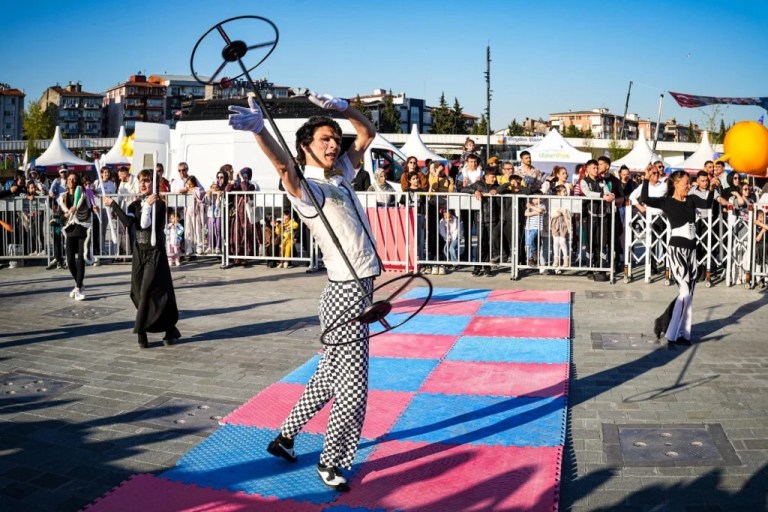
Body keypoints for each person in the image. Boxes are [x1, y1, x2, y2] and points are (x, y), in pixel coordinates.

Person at [228, 91, 381, 492]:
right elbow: (283, 166)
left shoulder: (341, 174)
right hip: (345, 294)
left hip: (358, 288)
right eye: (325, 140)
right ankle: (332, 461)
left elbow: (368, 133)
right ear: (305, 147)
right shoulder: (309, 190)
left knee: (329, 378)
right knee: (353, 390)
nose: (334, 145)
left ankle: (285, 437)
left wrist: (343, 108)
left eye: (336, 139)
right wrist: (260, 130)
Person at [104, 169, 181, 348]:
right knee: (137, 292)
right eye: (141, 181)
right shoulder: (135, 205)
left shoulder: (159, 205)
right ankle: (169, 328)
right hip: (139, 251)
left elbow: (145, 224)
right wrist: (113, 204)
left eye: (147, 181)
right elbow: (128, 222)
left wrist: (147, 206)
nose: (143, 184)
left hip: (155, 253)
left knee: (148, 291)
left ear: (154, 184)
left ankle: (141, 332)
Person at [641, 169, 713, 346]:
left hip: (692, 252)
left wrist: (711, 188)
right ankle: (672, 334)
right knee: (685, 292)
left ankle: (680, 332)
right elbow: (646, 199)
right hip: (677, 251)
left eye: (689, 183)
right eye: (686, 183)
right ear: (676, 183)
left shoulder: (692, 199)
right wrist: (645, 179)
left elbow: (707, 204)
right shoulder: (667, 201)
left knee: (689, 295)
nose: (689, 186)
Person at [59, 173, 93, 300]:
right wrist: (66, 215)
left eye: (74, 179)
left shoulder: (83, 195)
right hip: (70, 231)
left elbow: (89, 208)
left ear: (77, 181)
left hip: (82, 230)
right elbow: (60, 215)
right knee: (70, 261)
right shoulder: (63, 197)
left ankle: (78, 288)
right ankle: (80, 283)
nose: (71, 181)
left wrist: (93, 207)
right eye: (69, 179)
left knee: (81, 260)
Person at [550, 185, 572, 274]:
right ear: (558, 193)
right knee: (556, 242)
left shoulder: (568, 201)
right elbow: (552, 214)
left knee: (562, 241)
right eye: (564, 191)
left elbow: (569, 214)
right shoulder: (554, 201)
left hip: (564, 223)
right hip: (555, 223)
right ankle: (556, 259)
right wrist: (559, 212)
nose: (566, 193)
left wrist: (564, 212)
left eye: (566, 191)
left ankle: (566, 258)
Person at [205, 181, 224, 254]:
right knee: (210, 231)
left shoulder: (221, 195)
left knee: (218, 231)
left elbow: (218, 205)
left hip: (218, 215)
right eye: (213, 188)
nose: (215, 189)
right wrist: (209, 196)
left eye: (216, 188)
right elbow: (208, 204)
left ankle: (218, 247)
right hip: (210, 215)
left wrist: (218, 197)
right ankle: (210, 246)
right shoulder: (209, 194)